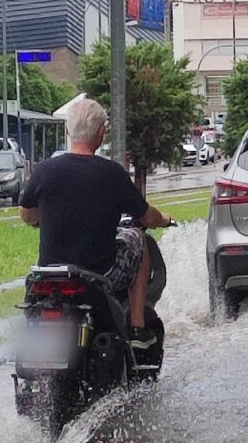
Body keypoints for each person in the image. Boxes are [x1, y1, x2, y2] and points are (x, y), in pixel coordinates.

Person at [18, 99, 172, 346]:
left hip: (51, 274)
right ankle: (137, 327)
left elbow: (26, 214)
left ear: (68, 130)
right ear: (101, 133)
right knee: (139, 239)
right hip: (100, 274)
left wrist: (42, 218)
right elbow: (146, 217)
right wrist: (163, 219)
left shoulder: (44, 170)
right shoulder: (112, 173)